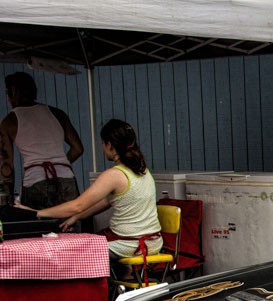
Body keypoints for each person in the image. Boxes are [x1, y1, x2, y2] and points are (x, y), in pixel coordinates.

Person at [18, 119, 161, 262]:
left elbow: (77, 205)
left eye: (103, 143)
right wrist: (77, 217)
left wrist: (37, 213)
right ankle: (121, 277)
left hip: (128, 245)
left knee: (72, 253)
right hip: (154, 242)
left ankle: (107, 281)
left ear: (109, 145)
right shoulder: (142, 170)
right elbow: (106, 201)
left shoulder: (115, 175)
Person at [1, 71, 84, 208]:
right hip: (66, 179)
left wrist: (8, 198)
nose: (8, 99)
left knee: (39, 227)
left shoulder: (9, 122)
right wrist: (59, 163)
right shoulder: (57, 113)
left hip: (35, 182)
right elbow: (78, 148)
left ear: (14, 91)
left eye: (7, 93)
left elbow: (6, 167)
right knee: (71, 226)